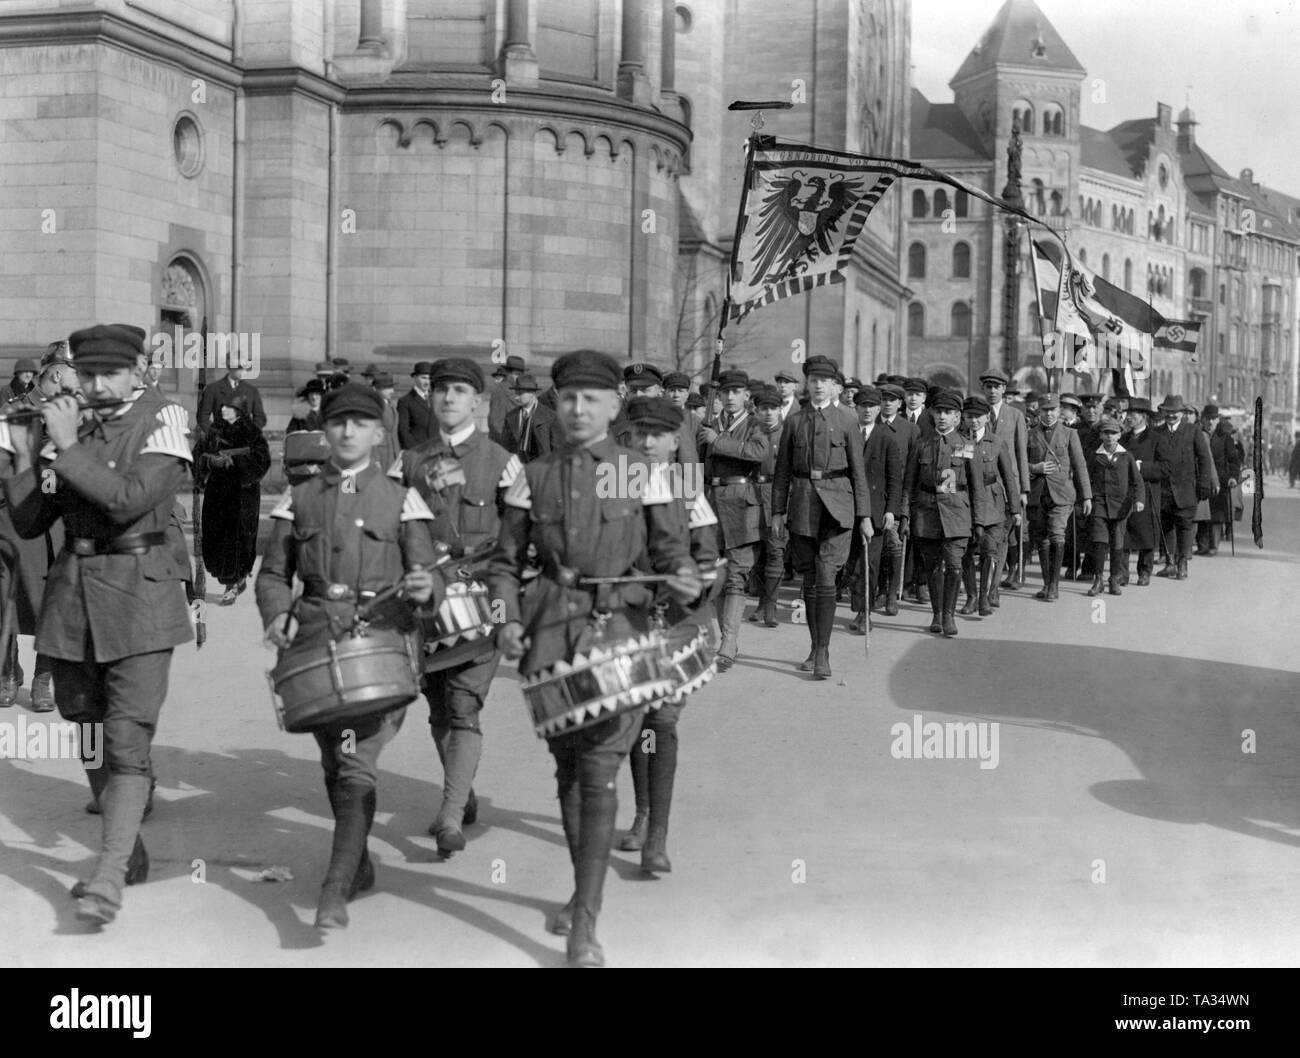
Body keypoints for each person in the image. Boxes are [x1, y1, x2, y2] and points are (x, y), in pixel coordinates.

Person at [486, 349, 702, 968]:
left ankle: (585, 916)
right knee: (567, 772)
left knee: (600, 770)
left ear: (613, 406)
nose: (579, 409)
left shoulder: (640, 472)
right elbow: (505, 565)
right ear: (559, 402)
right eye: (569, 397)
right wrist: (504, 621)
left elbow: (671, 551)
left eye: (592, 399)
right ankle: (583, 890)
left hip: (621, 635)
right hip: (549, 631)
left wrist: (684, 575)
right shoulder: (535, 474)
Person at [3, 323, 195, 926]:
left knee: (126, 736)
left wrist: (67, 444)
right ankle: (127, 851)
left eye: (108, 373)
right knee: (83, 720)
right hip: (74, 596)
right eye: (85, 374)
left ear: (137, 370)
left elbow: (128, 498)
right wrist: (23, 458)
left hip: (141, 595)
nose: (93, 384)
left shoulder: (165, 418)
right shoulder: (75, 424)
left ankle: (107, 876)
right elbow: (34, 522)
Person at [257, 382, 442, 929]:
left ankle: (334, 889)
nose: (347, 432)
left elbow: (429, 573)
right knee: (335, 762)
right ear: (326, 430)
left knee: (357, 761)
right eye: (338, 423)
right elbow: (272, 575)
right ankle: (357, 864)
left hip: (380, 648)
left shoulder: (402, 498)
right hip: (314, 649)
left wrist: (423, 586)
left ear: (378, 434)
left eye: (359, 424)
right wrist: (277, 614)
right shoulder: (300, 497)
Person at [389, 358, 520, 854]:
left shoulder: (502, 461)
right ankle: (461, 793)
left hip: (482, 602)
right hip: (424, 604)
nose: (448, 398)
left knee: (465, 706)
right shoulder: (406, 461)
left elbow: (522, 537)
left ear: (478, 402)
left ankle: (448, 818)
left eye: (460, 391)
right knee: (439, 707)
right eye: (441, 389)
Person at [615, 395, 719, 872]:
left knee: (662, 722)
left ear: (676, 440)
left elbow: (709, 559)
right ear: (628, 438)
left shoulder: (687, 488)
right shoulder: (610, 485)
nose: (651, 443)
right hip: (626, 624)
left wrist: (692, 585)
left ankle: (658, 834)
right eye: (642, 434)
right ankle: (640, 814)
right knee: (636, 723)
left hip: (675, 624)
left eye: (661, 435)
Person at [771, 356, 871, 677]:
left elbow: (858, 471)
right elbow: (782, 471)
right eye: (812, 379)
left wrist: (865, 516)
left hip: (838, 507)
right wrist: (777, 511)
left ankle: (824, 654)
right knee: (810, 580)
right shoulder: (795, 422)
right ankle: (815, 646)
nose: (816, 385)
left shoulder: (847, 419)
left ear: (833, 385)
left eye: (822, 380)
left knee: (826, 575)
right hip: (802, 506)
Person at [0, 344, 76, 710]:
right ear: (58, 374)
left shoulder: (72, 413)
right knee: (7, 596)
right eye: (76, 373)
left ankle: (43, 678)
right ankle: (7, 671)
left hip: (59, 522)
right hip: (18, 519)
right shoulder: (14, 409)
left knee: (55, 600)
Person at [696, 370, 767, 671]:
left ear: (747, 396)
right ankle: (725, 640)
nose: (729, 397)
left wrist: (719, 441)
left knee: (737, 574)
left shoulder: (754, 424)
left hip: (741, 502)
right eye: (725, 392)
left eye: (736, 391)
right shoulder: (708, 424)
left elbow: (759, 453)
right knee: (715, 574)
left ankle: (728, 642)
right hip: (711, 502)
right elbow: (697, 462)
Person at [901, 391, 972, 636]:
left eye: (948, 413)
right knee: (932, 566)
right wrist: (905, 515)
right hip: (926, 511)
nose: (942, 417)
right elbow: (909, 483)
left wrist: (980, 519)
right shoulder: (921, 444)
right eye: (938, 412)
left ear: (957, 417)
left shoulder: (965, 445)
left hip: (956, 513)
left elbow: (975, 485)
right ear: (932, 414)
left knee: (953, 566)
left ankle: (950, 615)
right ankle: (937, 613)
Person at [194, 393, 271, 605]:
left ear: (238, 410)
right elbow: (198, 456)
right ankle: (229, 579)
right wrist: (209, 462)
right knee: (216, 537)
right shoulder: (213, 432)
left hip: (241, 495)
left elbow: (262, 460)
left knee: (238, 538)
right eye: (222, 407)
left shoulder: (252, 433)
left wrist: (235, 461)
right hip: (217, 493)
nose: (223, 411)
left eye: (228, 407)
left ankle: (235, 582)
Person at [1025, 394, 1091, 602]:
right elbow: (1019, 463)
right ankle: (1046, 584)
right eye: (1045, 410)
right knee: (1042, 540)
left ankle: (1054, 585)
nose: (1049, 413)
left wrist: (1087, 496)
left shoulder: (1070, 434)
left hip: (1062, 494)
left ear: (1059, 410)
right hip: (1037, 494)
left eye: (1053, 409)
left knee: (1056, 534)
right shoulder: (1030, 434)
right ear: (1039, 412)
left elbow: (1080, 466)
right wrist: (1034, 468)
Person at [846, 386, 901, 634]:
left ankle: (865, 613)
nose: (867, 410)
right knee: (853, 564)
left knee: (869, 564)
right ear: (855, 408)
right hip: (847, 510)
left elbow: (894, 480)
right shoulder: (848, 435)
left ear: (878, 409)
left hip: (877, 511)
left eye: (871, 406)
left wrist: (891, 510)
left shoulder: (887, 438)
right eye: (862, 406)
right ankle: (859, 607)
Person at [958, 395, 1017, 618]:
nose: (973, 421)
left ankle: (984, 597)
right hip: (966, 503)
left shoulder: (996, 442)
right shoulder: (958, 441)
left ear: (987, 418)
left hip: (993, 505)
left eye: (978, 417)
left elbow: (1008, 476)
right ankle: (971, 596)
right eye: (969, 416)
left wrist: (1015, 509)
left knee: (989, 552)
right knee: (964, 552)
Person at [1152, 394, 1213, 581]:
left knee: (1185, 526)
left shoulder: (1193, 431)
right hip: (1163, 490)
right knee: (1166, 526)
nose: (1171, 416)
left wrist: (1204, 484)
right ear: (1163, 412)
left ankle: (1182, 563)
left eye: (1175, 412)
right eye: (1168, 412)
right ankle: (1170, 563)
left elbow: (1204, 459)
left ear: (1182, 413)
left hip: (1187, 489)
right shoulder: (1157, 432)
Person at [981, 370, 1029, 600]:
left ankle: (993, 589)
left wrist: (1023, 490)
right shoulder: (976, 413)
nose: (992, 391)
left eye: (996, 386)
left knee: (1000, 540)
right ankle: (981, 588)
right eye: (988, 386)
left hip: (1008, 487)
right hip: (982, 487)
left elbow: (1021, 455)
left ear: (1003, 389)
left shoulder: (1015, 415)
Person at [1085, 416, 1142, 596]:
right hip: (1100, 504)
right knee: (1099, 542)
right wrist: (1086, 498)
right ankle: (1098, 579)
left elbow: (1137, 482)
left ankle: (1114, 579)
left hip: (1120, 507)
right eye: (1106, 433)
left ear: (1119, 435)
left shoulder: (1126, 456)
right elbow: (1086, 479)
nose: (1109, 437)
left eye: (1113, 433)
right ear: (1101, 435)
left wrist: (1139, 500)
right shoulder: (1095, 456)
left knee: (1117, 543)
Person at [748, 385, 787, 628]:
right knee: (757, 552)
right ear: (756, 410)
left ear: (780, 409)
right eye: (764, 409)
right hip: (752, 494)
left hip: (778, 494)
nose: (769, 413)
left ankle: (771, 604)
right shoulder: (750, 432)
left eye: (773, 408)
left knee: (776, 549)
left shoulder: (788, 433)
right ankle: (761, 602)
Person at [878, 382, 916, 612]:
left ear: (900, 404)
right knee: (875, 547)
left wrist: (905, 509)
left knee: (893, 546)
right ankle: (879, 590)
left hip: (897, 496)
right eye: (883, 399)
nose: (887, 403)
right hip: (875, 496)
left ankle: (892, 593)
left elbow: (912, 472)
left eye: (892, 399)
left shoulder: (909, 430)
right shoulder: (870, 425)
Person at [1119, 398, 1162, 586]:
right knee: (1124, 533)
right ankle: (1122, 573)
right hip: (1125, 493)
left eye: (1132, 414)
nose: (1128, 417)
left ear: (1143, 417)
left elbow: (1165, 468)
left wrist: (1141, 467)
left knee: (1146, 534)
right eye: (1127, 414)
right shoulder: (1123, 438)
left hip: (1148, 492)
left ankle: (1145, 571)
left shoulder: (1155, 439)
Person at [501, 372, 560, 463]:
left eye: (520, 393)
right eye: (516, 393)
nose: (516, 397)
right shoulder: (510, 417)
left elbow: (557, 452)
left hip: (542, 472)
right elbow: (505, 449)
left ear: (532, 393)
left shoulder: (551, 417)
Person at [197, 364, 267, 433]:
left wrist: (250, 434)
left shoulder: (251, 391)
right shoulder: (213, 389)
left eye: (243, 368)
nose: (241, 371)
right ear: (229, 367)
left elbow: (260, 418)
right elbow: (202, 417)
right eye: (238, 367)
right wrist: (215, 434)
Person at [1207, 419, 1242, 551]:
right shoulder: (1207, 436)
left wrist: (1233, 476)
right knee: (1207, 511)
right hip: (1206, 477)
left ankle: (1213, 545)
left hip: (1222, 479)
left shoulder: (1226, 440)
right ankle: (1204, 544)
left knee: (1217, 513)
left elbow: (1234, 460)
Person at [487, 354, 526, 444]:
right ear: (508, 374)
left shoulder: (516, 391)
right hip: (503, 446)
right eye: (516, 374)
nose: (519, 377)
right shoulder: (500, 391)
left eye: (521, 374)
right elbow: (496, 424)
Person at [397, 362, 436, 449]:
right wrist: (416, 451)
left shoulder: (435, 398)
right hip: (417, 452)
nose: (427, 382)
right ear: (415, 378)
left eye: (429, 379)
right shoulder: (405, 401)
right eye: (423, 378)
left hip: (436, 450)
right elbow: (403, 431)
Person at [369, 371, 401, 473]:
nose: (392, 391)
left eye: (392, 387)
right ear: (376, 389)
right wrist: (376, 459)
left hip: (394, 453)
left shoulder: (391, 404)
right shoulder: (373, 406)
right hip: (381, 455)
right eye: (387, 388)